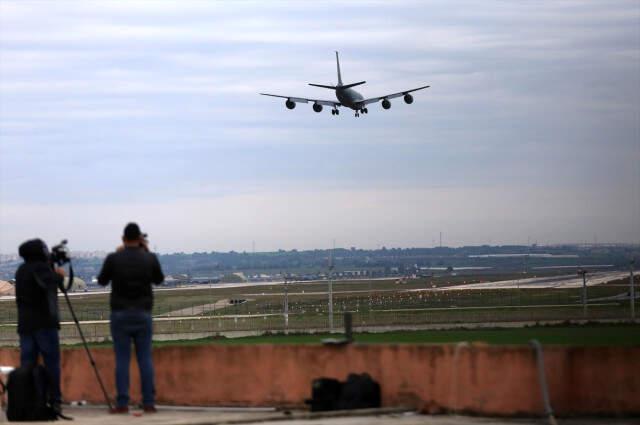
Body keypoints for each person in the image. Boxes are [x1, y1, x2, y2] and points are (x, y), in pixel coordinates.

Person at [97, 222, 164, 414]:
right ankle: (149, 402)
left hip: (120, 314)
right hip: (143, 313)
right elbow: (159, 280)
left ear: (123, 238)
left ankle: (122, 403)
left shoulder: (114, 258)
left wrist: (118, 256)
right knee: (145, 359)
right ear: (140, 239)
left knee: (122, 360)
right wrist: (146, 251)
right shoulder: (149, 258)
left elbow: (102, 280)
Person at [14, 239, 65, 414]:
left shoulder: (21, 270)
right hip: (44, 323)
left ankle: (28, 399)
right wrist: (59, 274)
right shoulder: (41, 268)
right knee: (52, 363)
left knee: (27, 364)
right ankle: (55, 399)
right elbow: (51, 283)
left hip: (25, 325)